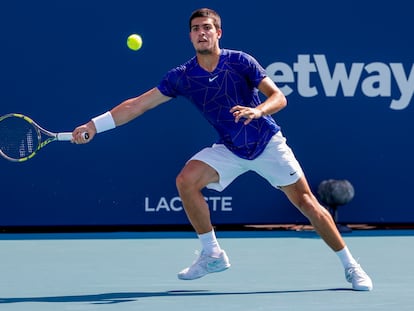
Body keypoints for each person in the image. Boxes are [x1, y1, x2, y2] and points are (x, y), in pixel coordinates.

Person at [72, 8, 373, 291]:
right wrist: (93, 126)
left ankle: (351, 266)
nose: (201, 33)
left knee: (307, 203)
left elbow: (279, 97)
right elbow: (137, 105)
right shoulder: (183, 76)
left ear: (219, 33)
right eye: (195, 29)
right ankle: (212, 254)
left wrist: (258, 111)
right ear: (190, 37)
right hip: (230, 147)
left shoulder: (240, 62)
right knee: (186, 180)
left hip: (266, 142)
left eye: (207, 28)